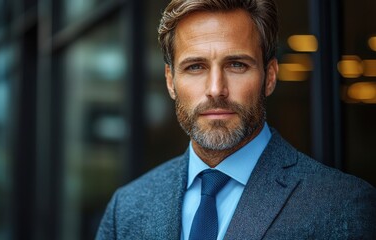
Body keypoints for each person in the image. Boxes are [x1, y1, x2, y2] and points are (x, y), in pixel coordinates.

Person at [96, 0, 376, 239]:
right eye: (195, 67)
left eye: (237, 65)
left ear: (270, 76)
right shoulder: (128, 208)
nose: (216, 89)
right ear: (170, 81)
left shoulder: (342, 205)